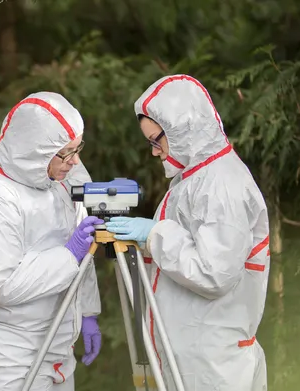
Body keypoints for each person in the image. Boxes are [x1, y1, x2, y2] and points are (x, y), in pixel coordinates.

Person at [106, 74, 269, 390]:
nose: (154, 151)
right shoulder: (194, 178)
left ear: (182, 130)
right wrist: (148, 242)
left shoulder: (221, 185)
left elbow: (214, 273)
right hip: (198, 356)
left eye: (157, 140)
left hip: (214, 364)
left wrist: (155, 236)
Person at [0, 91, 104, 391]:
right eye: (67, 153)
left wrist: (86, 312)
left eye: (77, 148)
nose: (75, 161)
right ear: (35, 152)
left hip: (53, 342)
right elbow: (4, 285)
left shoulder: (58, 180)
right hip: (1, 354)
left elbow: (82, 248)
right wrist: (70, 254)